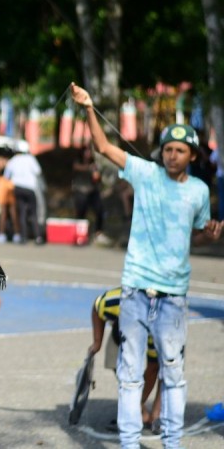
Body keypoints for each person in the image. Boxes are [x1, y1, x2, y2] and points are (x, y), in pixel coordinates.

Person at [71, 82, 223, 448]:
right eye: (167, 149)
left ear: (192, 155)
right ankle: (129, 442)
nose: (172, 155)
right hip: (136, 290)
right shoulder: (144, 172)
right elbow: (103, 147)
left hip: (174, 295)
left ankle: (172, 441)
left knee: (173, 373)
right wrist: (89, 107)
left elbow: (194, 237)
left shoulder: (199, 192)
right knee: (130, 374)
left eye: (179, 151)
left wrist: (210, 235)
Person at [89, 287, 161, 434]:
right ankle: (139, 413)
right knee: (116, 362)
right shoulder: (115, 301)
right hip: (126, 325)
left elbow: (154, 368)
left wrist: (135, 404)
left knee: (168, 369)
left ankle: (157, 416)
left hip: (163, 325)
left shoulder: (158, 322)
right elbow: (97, 307)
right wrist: (97, 342)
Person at [72, 146, 111, 245]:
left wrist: (96, 175)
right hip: (80, 190)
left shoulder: (94, 164)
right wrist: (89, 168)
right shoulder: (78, 162)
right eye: (86, 151)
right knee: (81, 212)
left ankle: (98, 233)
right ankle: (80, 235)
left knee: (99, 210)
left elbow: (97, 177)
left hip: (92, 191)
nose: (88, 153)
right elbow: (76, 167)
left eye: (89, 151)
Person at [3, 149, 44, 244]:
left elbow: (6, 176)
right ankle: (37, 237)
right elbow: (38, 171)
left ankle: (23, 237)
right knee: (33, 213)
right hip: (30, 188)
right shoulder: (30, 158)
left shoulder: (13, 160)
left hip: (18, 188)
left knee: (22, 212)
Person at [0, 148, 19, 243]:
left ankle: (2, 234)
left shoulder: (0, 160)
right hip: (12, 184)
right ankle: (17, 234)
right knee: (13, 211)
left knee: (3, 211)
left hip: (2, 184)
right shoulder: (13, 160)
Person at [211, 148, 223, 220]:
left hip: (220, 176)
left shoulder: (218, 150)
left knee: (222, 198)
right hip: (220, 176)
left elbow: (212, 161)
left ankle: (222, 219)